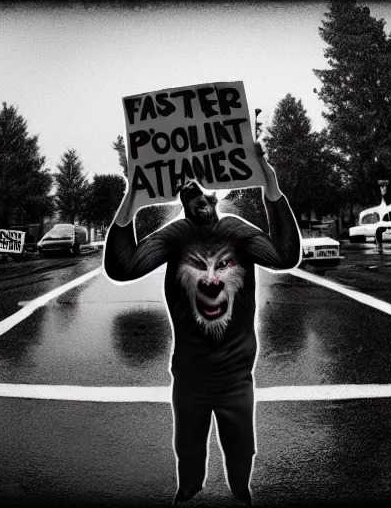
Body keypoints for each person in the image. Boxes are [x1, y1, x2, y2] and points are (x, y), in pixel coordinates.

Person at [103, 144, 301, 506]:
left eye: (206, 197)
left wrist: (270, 185)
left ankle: (241, 493)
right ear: (183, 204)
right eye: (192, 199)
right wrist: (130, 199)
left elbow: (285, 255)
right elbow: (123, 266)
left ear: (215, 197)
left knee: (241, 452)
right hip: (191, 373)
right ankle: (188, 492)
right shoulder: (175, 237)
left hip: (236, 372)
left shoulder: (236, 231)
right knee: (189, 453)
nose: (203, 205)